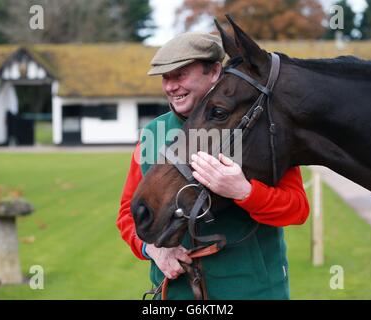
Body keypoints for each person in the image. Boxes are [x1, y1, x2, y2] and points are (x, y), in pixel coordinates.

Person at [116, 32, 310, 299]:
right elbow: (128, 213)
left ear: (215, 71)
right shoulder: (153, 132)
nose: (171, 86)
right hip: (175, 293)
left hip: (252, 290)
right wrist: (153, 249)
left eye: (180, 74)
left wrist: (244, 192)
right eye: (165, 77)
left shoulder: (260, 127)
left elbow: (297, 209)